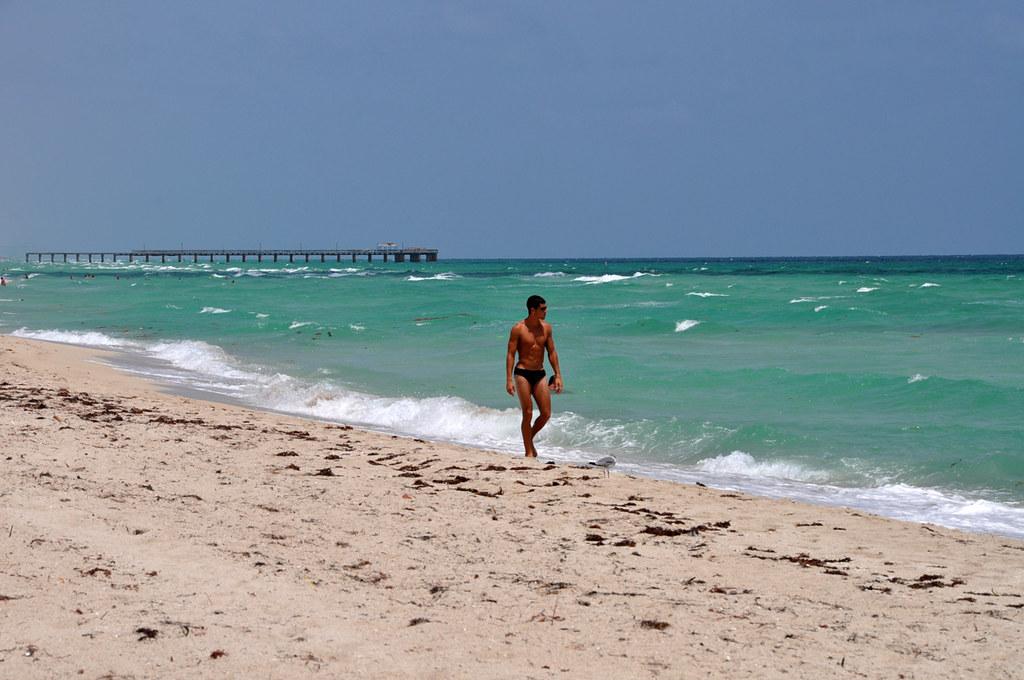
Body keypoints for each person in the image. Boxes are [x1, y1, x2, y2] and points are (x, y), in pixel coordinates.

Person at [506, 295, 563, 457]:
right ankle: (529, 451)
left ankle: (528, 438)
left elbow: (552, 352)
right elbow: (510, 354)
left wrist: (558, 375)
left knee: (546, 413)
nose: (546, 311)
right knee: (528, 412)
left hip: (540, 373)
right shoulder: (518, 329)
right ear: (533, 310)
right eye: (543, 309)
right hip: (522, 373)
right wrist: (509, 379)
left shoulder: (546, 328)